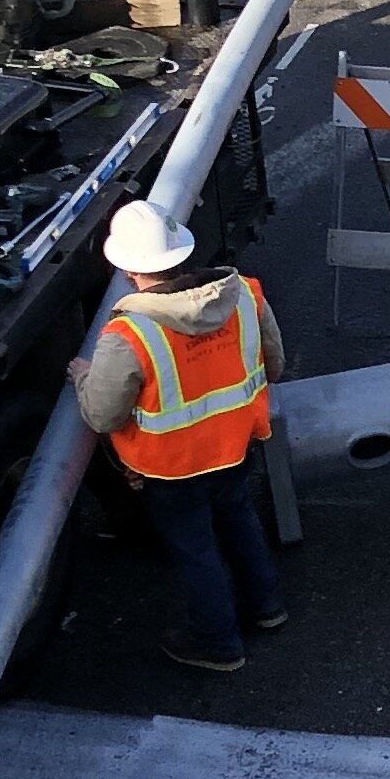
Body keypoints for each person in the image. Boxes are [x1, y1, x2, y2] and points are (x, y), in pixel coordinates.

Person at [74, 200, 288, 673]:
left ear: (127, 269)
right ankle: (268, 606)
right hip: (236, 446)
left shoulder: (128, 335)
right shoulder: (246, 296)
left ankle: (218, 644)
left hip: (173, 468)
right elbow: (274, 365)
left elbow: (103, 415)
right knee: (238, 521)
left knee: (196, 551)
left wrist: (82, 376)